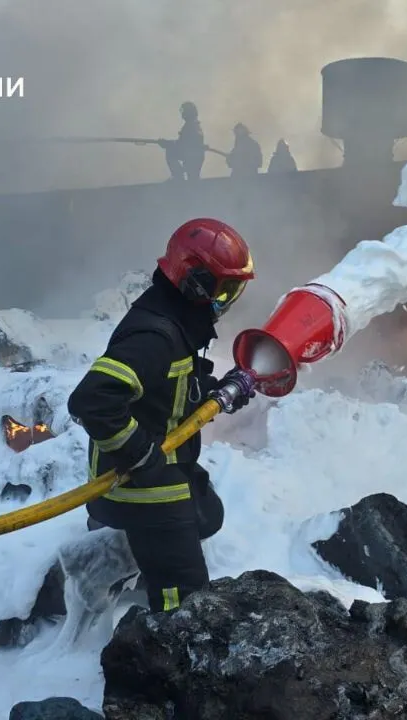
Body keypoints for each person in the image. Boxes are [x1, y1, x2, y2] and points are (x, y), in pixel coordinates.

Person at [67, 218, 258, 613]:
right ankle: (169, 646)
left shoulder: (176, 322)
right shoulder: (154, 336)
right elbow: (92, 401)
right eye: (224, 290)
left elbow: (164, 391)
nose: (227, 301)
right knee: (184, 591)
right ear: (196, 282)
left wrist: (215, 392)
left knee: (207, 514)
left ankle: (119, 563)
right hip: (143, 484)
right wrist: (142, 457)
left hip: (163, 471)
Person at [165, 102, 207, 181]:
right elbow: (183, 142)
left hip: (192, 157)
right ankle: (179, 177)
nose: (182, 113)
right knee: (193, 179)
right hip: (194, 157)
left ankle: (178, 176)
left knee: (170, 151)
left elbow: (184, 144)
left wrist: (169, 144)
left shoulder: (191, 126)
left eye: (184, 111)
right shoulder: (193, 125)